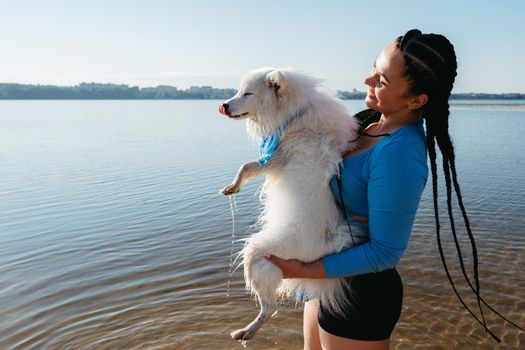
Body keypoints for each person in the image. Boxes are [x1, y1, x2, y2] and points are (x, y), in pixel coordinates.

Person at [266, 29, 521, 349]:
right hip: (325, 281)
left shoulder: (400, 153)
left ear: (416, 100)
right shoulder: (364, 124)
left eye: (382, 80)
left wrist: (300, 268)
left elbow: (385, 251)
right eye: (374, 68)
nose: (367, 79)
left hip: (360, 292)